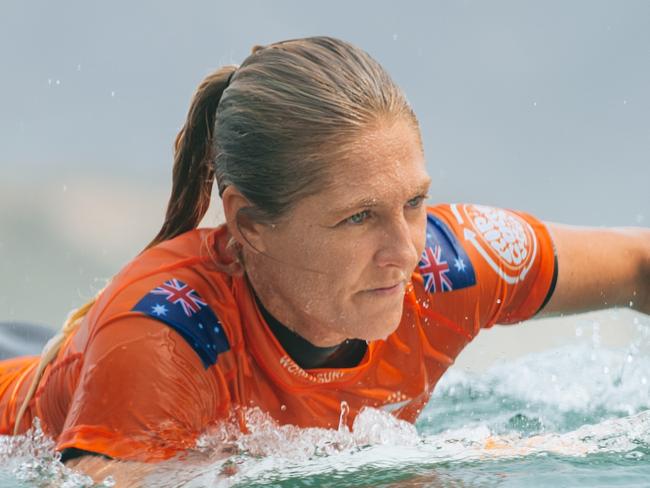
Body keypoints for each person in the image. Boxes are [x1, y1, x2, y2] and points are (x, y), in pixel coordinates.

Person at [1, 36, 648, 484]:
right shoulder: (164, 343)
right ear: (250, 224)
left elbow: (640, 262)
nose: (405, 252)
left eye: (416, 201)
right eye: (359, 217)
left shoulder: (455, 266)